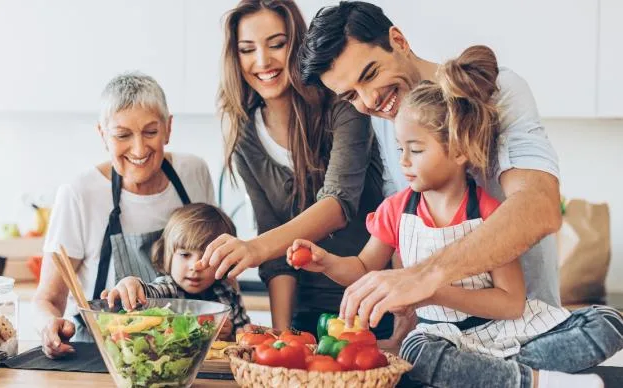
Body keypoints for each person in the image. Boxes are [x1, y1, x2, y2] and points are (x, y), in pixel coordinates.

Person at [290, 45, 623, 388]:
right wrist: (327, 262)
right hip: (446, 339)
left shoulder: (492, 216)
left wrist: (430, 290)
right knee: (418, 351)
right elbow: (362, 269)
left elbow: (510, 304)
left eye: (416, 150)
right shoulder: (396, 211)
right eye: (400, 148)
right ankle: (537, 381)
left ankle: (487, 375)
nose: (403, 161)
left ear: (460, 150)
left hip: (510, 332)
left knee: (608, 323)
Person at [299, 1, 565, 332]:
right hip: (441, 334)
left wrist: (425, 277)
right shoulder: (388, 118)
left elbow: (540, 206)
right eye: (351, 96)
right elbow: (403, 233)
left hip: (527, 327)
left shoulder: (499, 91)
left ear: (398, 40)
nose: (369, 101)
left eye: (370, 74)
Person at [195, 0, 402, 342]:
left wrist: (254, 248)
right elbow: (276, 256)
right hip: (306, 313)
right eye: (248, 49)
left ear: (298, 45)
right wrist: (281, 337)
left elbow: (338, 205)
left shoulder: (345, 103)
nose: (262, 61)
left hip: (371, 304)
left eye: (277, 44)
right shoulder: (245, 134)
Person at [33, 72, 215, 358]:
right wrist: (49, 326)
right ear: (103, 135)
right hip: (103, 358)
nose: (139, 149)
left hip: (185, 355)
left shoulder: (193, 173)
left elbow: (219, 267)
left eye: (151, 132)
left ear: (168, 128)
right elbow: (48, 298)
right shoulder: (80, 193)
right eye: (122, 135)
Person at [101, 203, 251, 341]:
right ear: (168, 256)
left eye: (207, 258)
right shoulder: (168, 288)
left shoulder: (228, 293)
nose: (195, 266)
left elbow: (246, 336)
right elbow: (148, 293)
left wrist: (232, 334)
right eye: (185, 255)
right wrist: (132, 284)